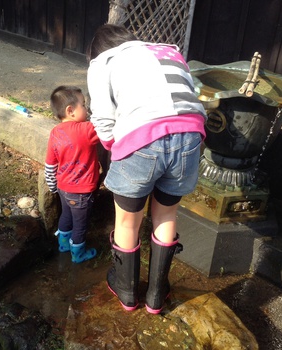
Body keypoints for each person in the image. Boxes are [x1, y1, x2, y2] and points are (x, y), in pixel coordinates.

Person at [87, 24, 207, 313]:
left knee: (128, 222)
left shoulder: (102, 62)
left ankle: (127, 292)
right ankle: (156, 295)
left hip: (142, 139)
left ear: (98, 50)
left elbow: (103, 119)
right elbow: (191, 96)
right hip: (190, 135)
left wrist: (117, 150)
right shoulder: (170, 52)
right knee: (166, 213)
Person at [44, 85, 99, 263]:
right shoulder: (87, 130)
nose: (87, 109)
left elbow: (50, 164)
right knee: (80, 225)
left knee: (66, 216)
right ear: (71, 111)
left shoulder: (54, 132)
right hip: (81, 191)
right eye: (83, 105)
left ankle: (63, 244)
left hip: (62, 187)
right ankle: (78, 254)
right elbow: (107, 125)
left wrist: (53, 186)